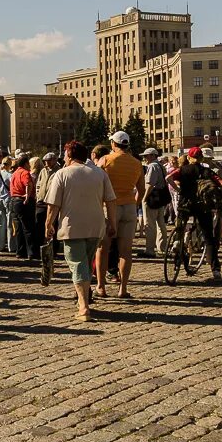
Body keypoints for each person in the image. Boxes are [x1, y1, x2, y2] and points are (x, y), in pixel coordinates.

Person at [45, 141, 117, 322]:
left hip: (72, 227)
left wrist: (48, 225)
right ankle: (83, 296)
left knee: (77, 264)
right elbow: (111, 201)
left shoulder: (62, 174)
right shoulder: (99, 173)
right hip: (95, 226)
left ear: (69, 155)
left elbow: (53, 205)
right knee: (85, 263)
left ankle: (84, 306)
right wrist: (112, 223)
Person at [95, 131, 145, 299]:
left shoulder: (106, 160)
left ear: (113, 144)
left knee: (103, 248)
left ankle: (101, 287)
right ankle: (123, 289)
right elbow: (142, 189)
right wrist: (135, 204)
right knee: (126, 251)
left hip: (109, 207)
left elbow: (95, 182)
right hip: (129, 206)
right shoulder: (136, 163)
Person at [166, 147, 222, 281]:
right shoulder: (207, 171)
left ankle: (177, 244)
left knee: (180, 228)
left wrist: (178, 190)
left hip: (185, 204)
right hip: (203, 206)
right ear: (201, 158)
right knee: (209, 237)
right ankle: (215, 271)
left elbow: (168, 177)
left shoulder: (183, 170)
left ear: (190, 158)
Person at [139, 148, 169, 258]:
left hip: (152, 197)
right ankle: (162, 247)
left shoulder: (152, 166)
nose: (145, 158)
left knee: (150, 225)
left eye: (146, 156)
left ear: (152, 155)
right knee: (161, 224)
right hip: (160, 197)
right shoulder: (161, 165)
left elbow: (150, 184)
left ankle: (150, 250)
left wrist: (144, 198)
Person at [9, 156, 37, 261]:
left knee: (19, 228)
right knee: (28, 227)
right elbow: (28, 184)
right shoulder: (25, 173)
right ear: (25, 163)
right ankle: (31, 252)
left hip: (14, 201)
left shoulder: (15, 173)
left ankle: (20, 252)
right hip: (23, 201)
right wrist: (27, 196)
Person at [35, 152, 59, 250]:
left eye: (48, 161)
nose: (46, 163)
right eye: (44, 161)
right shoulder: (43, 171)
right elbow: (38, 184)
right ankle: (41, 246)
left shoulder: (58, 171)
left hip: (52, 202)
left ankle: (54, 249)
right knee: (39, 225)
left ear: (54, 160)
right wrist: (38, 195)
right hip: (41, 202)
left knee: (53, 226)